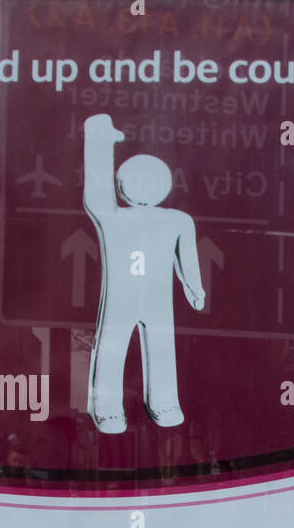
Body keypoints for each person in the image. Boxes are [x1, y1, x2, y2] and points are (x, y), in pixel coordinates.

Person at [83, 113, 205, 434]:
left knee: (158, 349)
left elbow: (188, 258)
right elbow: (96, 191)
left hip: (155, 299)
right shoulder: (113, 217)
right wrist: (98, 139)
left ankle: (163, 404)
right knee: (113, 347)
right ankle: (108, 409)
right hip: (125, 299)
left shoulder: (177, 221)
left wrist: (195, 287)